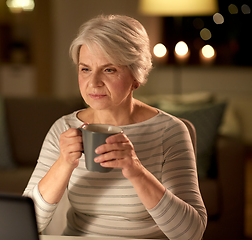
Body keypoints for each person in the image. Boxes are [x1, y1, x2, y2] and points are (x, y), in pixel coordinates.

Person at [23, 14, 207, 239]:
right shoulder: (64, 127)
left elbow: (192, 233)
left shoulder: (169, 132)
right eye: (85, 69)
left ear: (136, 77)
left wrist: (136, 171)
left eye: (109, 69)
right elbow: (26, 222)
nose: (93, 82)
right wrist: (63, 163)